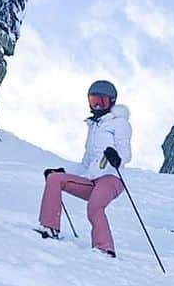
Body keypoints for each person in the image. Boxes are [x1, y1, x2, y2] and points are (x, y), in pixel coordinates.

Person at [38, 80, 131, 256]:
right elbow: (85, 164)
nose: (96, 106)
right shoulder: (93, 128)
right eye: (93, 101)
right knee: (54, 179)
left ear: (111, 102)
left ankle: (105, 249)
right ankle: (49, 228)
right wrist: (62, 171)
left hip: (111, 178)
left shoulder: (119, 123)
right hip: (91, 178)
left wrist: (116, 158)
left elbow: (126, 153)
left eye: (101, 102)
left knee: (95, 207)